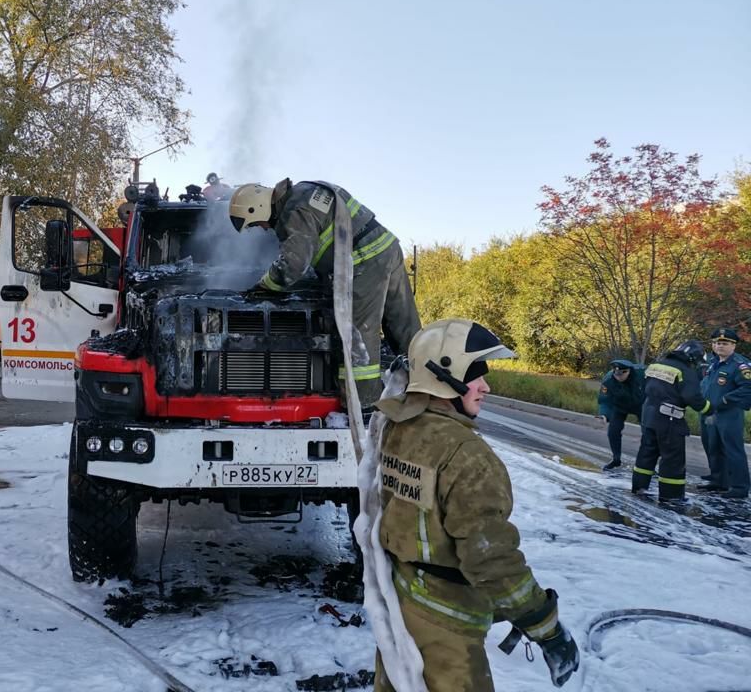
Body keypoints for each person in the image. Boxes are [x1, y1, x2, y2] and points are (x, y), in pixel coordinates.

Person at [373, 318, 579, 691]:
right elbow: (491, 558)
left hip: (402, 604)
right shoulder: (468, 455)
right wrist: (545, 628)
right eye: (475, 374)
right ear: (442, 376)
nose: (485, 386)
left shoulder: (398, 428)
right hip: (446, 624)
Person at [228, 178, 421, 406]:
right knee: (406, 329)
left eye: (257, 223)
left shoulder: (295, 210)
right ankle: (427, 389)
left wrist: (265, 286)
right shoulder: (305, 191)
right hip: (386, 248)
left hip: (364, 261)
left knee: (358, 341)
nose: (263, 227)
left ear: (258, 206)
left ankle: (364, 407)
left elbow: (293, 264)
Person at [632, 340, 712, 503]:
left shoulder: (656, 365)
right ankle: (671, 496)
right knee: (672, 459)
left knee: (646, 454)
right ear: (692, 358)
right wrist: (709, 410)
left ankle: (639, 488)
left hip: (648, 416)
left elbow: (644, 386)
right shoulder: (685, 371)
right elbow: (692, 397)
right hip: (669, 419)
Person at [699, 328, 751, 499]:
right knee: (712, 446)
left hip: (729, 414)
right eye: (717, 343)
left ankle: (740, 487)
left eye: (725, 343)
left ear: (733, 345)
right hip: (709, 413)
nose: (720, 346)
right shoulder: (713, 362)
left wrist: (725, 400)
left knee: (732, 449)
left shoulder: (740, 365)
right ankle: (719, 481)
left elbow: (747, 388)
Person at [596, 359, 645, 470]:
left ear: (629, 371)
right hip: (619, 406)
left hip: (641, 405)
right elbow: (605, 399)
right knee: (613, 430)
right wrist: (604, 414)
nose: (619, 377)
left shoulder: (642, 373)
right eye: (616, 374)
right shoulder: (608, 379)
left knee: (649, 433)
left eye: (623, 373)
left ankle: (646, 464)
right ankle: (616, 459)